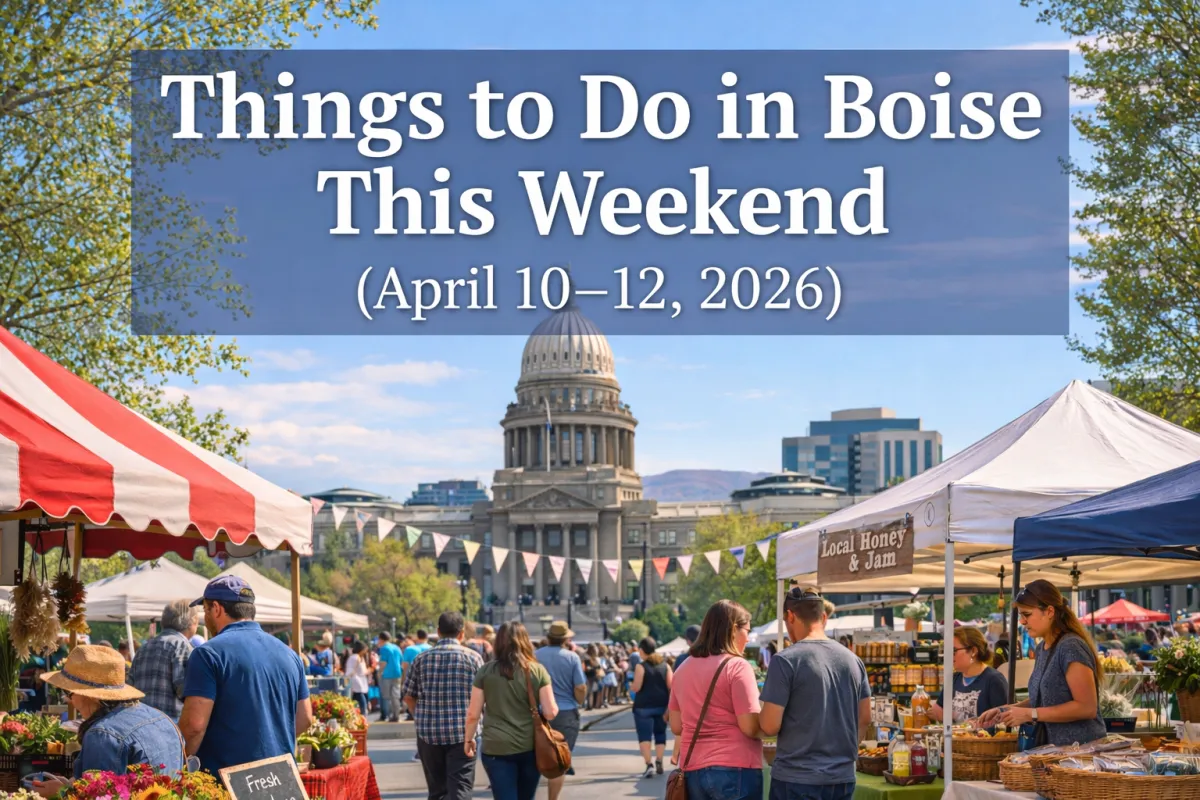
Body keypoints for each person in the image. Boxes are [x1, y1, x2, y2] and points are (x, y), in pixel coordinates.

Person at [178, 575, 313, 774]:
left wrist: (178, 766)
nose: (204, 619)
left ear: (217, 608)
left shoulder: (208, 654)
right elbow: (305, 718)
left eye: (205, 610)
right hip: (280, 777)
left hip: (227, 781)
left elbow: (194, 726)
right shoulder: (290, 655)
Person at [30, 646, 185, 798]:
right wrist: (71, 786)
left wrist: (63, 793)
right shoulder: (162, 718)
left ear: (92, 696)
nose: (68, 701)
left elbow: (98, 796)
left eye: (68, 692)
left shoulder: (102, 734)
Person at [760, 588, 870, 800]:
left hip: (796, 778)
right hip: (842, 778)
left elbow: (769, 725)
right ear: (824, 617)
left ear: (790, 616)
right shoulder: (853, 660)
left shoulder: (785, 660)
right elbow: (865, 717)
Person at [979, 580, 1105, 746]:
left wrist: (1030, 714)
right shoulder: (1042, 649)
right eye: (1021, 615)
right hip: (1054, 753)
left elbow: (1087, 707)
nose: (1022, 621)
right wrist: (1005, 710)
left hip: (1082, 754)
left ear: (1050, 611)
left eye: (1027, 614)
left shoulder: (1070, 647)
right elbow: (1042, 699)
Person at [667, 600, 762, 800]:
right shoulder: (737, 666)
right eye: (747, 630)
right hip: (735, 768)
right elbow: (749, 727)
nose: (748, 637)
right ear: (733, 629)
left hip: (693, 770)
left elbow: (676, 726)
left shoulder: (682, 669)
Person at [464, 622, 557, 800]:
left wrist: (469, 739)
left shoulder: (485, 671)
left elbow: (473, 714)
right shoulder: (537, 670)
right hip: (530, 746)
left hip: (496, 747)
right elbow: (551, 711)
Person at [403, 612, 484, 800]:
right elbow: (483, 696)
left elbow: (408, 696)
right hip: (464, 733)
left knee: (437, 791)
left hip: (429, 734)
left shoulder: (421, 659)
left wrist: (419, 716)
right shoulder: (474, 659)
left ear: (438, 632)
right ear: (462, 634)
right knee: (460, 789)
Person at [534, 621, 587, 800]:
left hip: (539, 713)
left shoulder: (535, 656)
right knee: (559, 760)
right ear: (565, 639)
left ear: (548, 637)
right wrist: (579, 701)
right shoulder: (572, 658)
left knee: (536, 755)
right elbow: (580, 687)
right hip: (566, 712)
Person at [128, 599, 197, 722]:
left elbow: (130, 689)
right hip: (170, 728)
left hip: (141, 724)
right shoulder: (182, 646)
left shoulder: (144, 648)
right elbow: (186, 692)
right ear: (192, 622)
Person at [928, 627, 1008, 724]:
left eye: (954, 650)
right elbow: (939, 710)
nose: (948, 655)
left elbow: (1004, 721)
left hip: (983, 739)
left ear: (973, 651)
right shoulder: (953, 679)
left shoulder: (994, 680)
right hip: (957, 738)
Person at [630, 637, 673, 779]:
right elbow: (671, 687)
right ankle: (659, 759)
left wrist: (631, 686)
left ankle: (649, 764)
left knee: (644, 736)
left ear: (642, 650)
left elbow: (637, 687)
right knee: (660, 734)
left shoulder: (640, 667)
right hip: (662, 705)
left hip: (643, 707)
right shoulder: (665, 666)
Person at [403, 630, 432, 720]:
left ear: (417, 637)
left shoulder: (410, 649)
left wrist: (404, 678)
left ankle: (412, 713)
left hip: (413, 677)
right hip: (428, 677)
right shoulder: (431, 648)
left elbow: (405, 665)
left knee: (411, 695)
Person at [377, 631, 404, 722]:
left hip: (387, 674)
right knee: (395, 695)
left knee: (386, 696)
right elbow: (401, 660)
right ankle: (396, 715)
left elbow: (383, 662)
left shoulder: (384, 648)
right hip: (397, 673)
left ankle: (386, 715)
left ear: (381, 639)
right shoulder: (397, 647)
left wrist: (379, 672)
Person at [345, 641, 371, 717]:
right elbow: (361, 671)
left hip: (360, 683)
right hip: (357, 683)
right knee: (362, 703)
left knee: (362, 702)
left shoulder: (359, 657)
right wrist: (369, 670)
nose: (366, 651)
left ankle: (362, 717)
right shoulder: (355, 657)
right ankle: (363, 717)